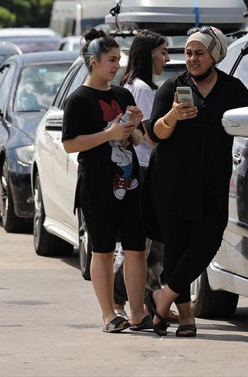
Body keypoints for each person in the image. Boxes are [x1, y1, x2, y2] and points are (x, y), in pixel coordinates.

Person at [144, 26, 248, 337]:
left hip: (214, 184)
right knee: (177, 250)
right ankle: (187, 317)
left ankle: (160, 299)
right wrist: (173, 117)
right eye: (189, 52)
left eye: (199, 53)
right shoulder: (171, 89)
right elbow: (153, 135)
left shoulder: (232, 90)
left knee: (206, 245)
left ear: (215, 55)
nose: (191, 58)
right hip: (171, 184)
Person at [61, 28, 151, 333]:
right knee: (103, 249)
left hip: (129, 183)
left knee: (137, 248)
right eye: (112, 60)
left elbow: (137, 141)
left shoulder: (122, 94)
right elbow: (70, 144)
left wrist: (134, 125)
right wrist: (108, 135)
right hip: (97, 184)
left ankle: (137, 312)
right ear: (94, 61)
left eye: (119, 60)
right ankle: (108, 314)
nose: (117, 66)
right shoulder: (79, 100)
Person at [112, 30, 170, 316]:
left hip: (135, 168)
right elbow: (150, 136)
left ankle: (143, 302)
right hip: (144, 168)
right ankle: (119, 298)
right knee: (143, 245)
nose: (167, 58)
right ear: (149, 55)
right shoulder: (144, 90)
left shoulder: (130, 84)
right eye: (163, 52)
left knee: (143, 244)